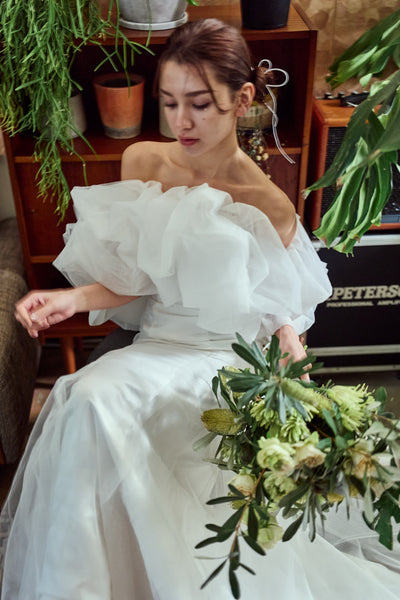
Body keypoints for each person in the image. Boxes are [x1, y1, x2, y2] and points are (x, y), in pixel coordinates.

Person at [0, 18, 398, 600]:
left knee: (108, 406)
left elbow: (278, 307)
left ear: (242, 99)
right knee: (83, 397)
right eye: (169, 103)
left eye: (200, 104)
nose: (181, 121)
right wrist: (70, 298)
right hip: (158, 344)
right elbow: (135, 276)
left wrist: (293, 355)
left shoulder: (268, 203)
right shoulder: (144, 161)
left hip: (221, 359)